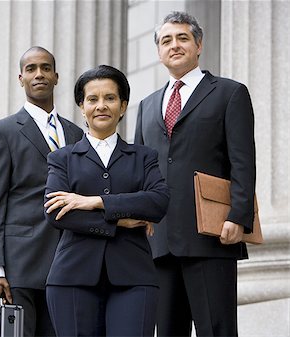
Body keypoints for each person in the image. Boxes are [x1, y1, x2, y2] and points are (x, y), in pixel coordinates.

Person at [134, 11, 256, 337]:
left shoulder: (229, 93)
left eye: (182, 38)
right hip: (158, 243)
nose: (174, 45)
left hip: (211, 236)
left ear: (198, 45)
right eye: (166, 40)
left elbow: (243, 161)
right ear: (159, 51)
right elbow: (141, 171)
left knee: (216, 331)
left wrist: (238, 216)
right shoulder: (147, 106)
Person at [43, 65, 170, 337]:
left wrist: (95, 202)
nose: (101, 106)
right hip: (72, 278)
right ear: (82, 106)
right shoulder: (62, 159)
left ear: (123, 106)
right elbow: (57, 213)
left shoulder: (144, 156)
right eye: (93, 99)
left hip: (134, 277)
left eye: (110, 98)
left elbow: (158, 201)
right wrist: (119, 221)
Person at [0, 46, 83, 336]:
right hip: (19, 266)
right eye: (32, 69)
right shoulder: (2, 132)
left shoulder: (76, 134)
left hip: (69, 262)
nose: (39, 74)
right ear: (20, 78)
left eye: (46, 68)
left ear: (57, 77)